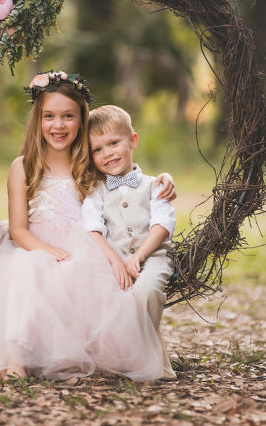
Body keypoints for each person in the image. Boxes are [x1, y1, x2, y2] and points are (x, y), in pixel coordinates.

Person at [0, 71, 176, 381]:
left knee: (91, 282)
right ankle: (17, 359)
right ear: (38, 119)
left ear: (82, 120)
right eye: (49, 116)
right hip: (37, 246)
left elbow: (130, 179)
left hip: (88, 247)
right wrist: (48, 251)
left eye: (68, 116)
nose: (58, 125)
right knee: (25, 266)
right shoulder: (24, 166)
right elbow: (18, 229)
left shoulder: (89, 160)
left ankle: (84, 352)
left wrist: (164, 178)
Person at [81, 105, 177, 380]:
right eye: (97, 149)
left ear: (132, 140)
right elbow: (92, 228)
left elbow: (163, 224)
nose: (108, 153)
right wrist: (117, 260)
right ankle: (119, 357)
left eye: (113, 143)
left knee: (145, 292)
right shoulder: (94, 191)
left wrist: (140, 256)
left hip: (154, 257)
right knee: (105, 298)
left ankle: (146, 358)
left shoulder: (155, 184)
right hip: (113, 262)